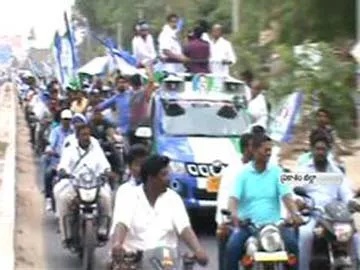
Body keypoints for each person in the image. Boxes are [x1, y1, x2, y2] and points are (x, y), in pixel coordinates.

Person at [111, 155, 208, 266]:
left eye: (168, 174)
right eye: (164, 175)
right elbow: (122, 223)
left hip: (166, 261)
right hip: (134, 261)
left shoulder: (173, 198)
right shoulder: (130, 196)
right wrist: (117, 244)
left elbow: (184, 228)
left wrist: (198, 250)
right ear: (150, 178)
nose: (168, 178)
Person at [225, 134, 302, 270]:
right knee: (232, 247)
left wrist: (295, 214)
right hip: (248, 227)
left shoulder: (277, 172)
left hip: (275, 226)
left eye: (270, 149)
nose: (269, 152)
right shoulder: (243, 174)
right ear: (254, 150)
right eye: (265, 149)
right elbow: (233, 199)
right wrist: (234, 214)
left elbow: (287, 197)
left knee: (292, 245)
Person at [296, 131, 360, 270]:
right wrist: (300, 202)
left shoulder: (336, 171)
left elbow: (346, 194)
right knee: (305, 234)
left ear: (328, 151)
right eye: (317, 149)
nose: (320, 152)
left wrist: (352, 203)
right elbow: (295, 193)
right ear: (312, 150)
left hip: (335, 216)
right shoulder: (303, 171)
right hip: (313, 213)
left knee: (354, 237)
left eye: (323, 149)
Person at [54, 123, 113, 246]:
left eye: (88, 134)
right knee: (63, 198)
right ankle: (67, 235)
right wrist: (63, 171)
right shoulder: (70, 148)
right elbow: (63, 164)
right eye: (83, 135)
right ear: (77, 136)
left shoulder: (96, 148)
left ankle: (103, 229)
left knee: (106, 198)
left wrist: (106, 171)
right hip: (74, 182)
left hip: (94, 183)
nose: (86, 137)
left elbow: (104, 164)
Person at [215, 133, 253, 270]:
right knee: (230, 246)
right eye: (253, 146)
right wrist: (223, 222)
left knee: (289, 244)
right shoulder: (232, 171)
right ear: (245, 149)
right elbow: (224, 197)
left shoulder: (268, 168)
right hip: (241, 222)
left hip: (265, 222)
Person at [43, 109, 74, 211]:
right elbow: (51, 144)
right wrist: (50, 150)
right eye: (65, 119)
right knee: (48, 174)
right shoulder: (55, 131)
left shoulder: (74, 132)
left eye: (68, 119)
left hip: (72, 163)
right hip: (57, 161)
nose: (66, 122)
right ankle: (48, 198)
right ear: (61, 120)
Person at [128, 70, 157, 145]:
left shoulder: (129, 94)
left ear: (131, 83)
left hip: (133, 126)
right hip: (142, 127)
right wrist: (149, 69)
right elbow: (151, 82)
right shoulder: (142, 93)